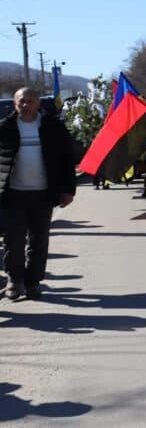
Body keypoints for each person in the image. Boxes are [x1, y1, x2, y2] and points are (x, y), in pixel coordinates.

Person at [0, 87, 76, 300]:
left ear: (38, 104)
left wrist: (68, 190)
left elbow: (67, 160)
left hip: (43, 193)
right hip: (13, 194)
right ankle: (14, 280)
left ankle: (33, 282)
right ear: (15, 104)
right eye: (22, 101)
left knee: (38, 241)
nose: (26, 105)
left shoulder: (53, 127)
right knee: (12, 241)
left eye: (31, 101)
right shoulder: (5, 128)